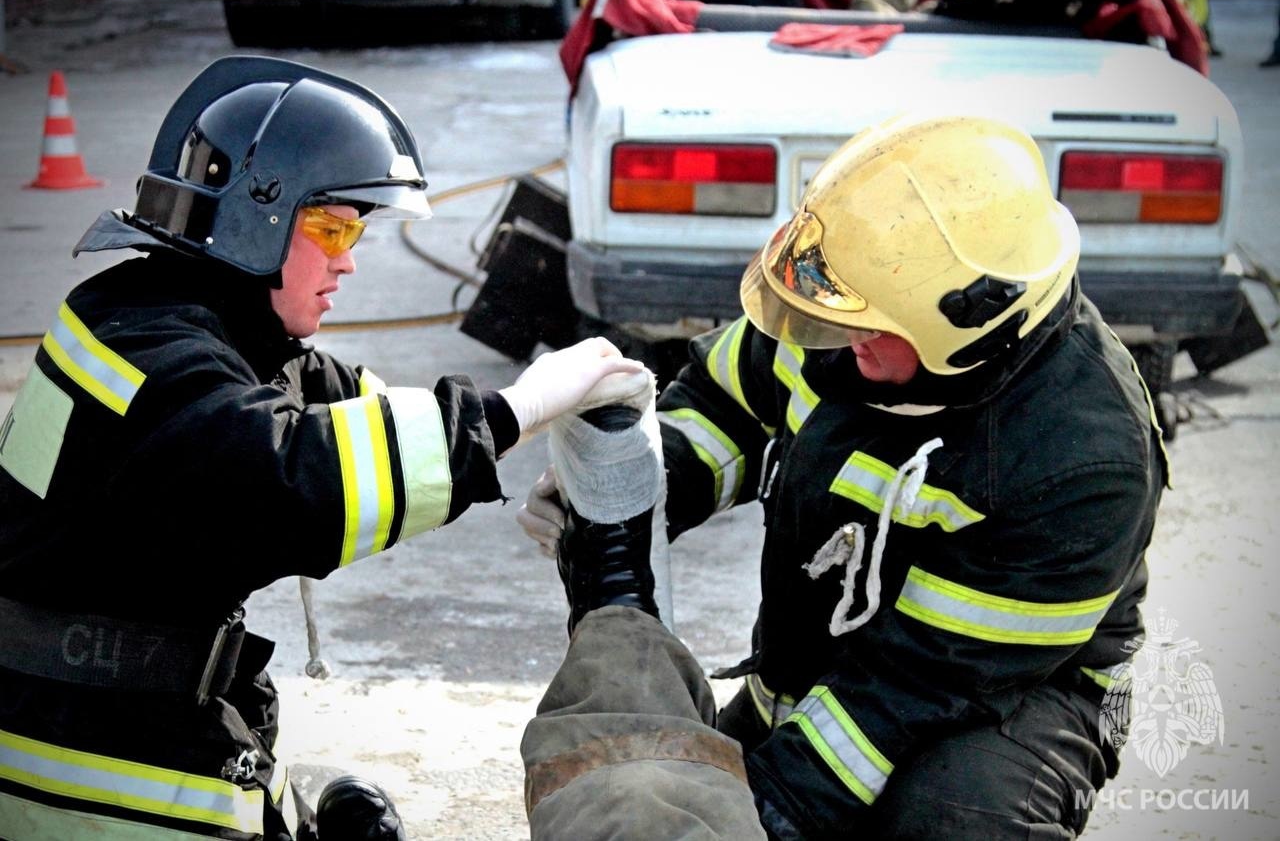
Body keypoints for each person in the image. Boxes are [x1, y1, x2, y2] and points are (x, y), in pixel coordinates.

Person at [0, 56, 641, 841]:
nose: (349, 258)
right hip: (88, 777)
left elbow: (348, 411)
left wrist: (531, 442)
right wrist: (518, 405)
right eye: (332, 228)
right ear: (255, 220)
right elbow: (301, 477)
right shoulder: (157, 362)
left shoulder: (158, 314)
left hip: (100, 721)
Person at [518, 113, 1168, 839]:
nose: (839, 335)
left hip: (1009, 693)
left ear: (969, 326)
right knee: (673, 786)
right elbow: (723, 404)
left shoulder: (1079, 458)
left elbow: (916, 686)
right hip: (825, 657)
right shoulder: (859, 309)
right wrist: (631, 492)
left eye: (868, 323)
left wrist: (771, 804)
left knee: (951, 814)